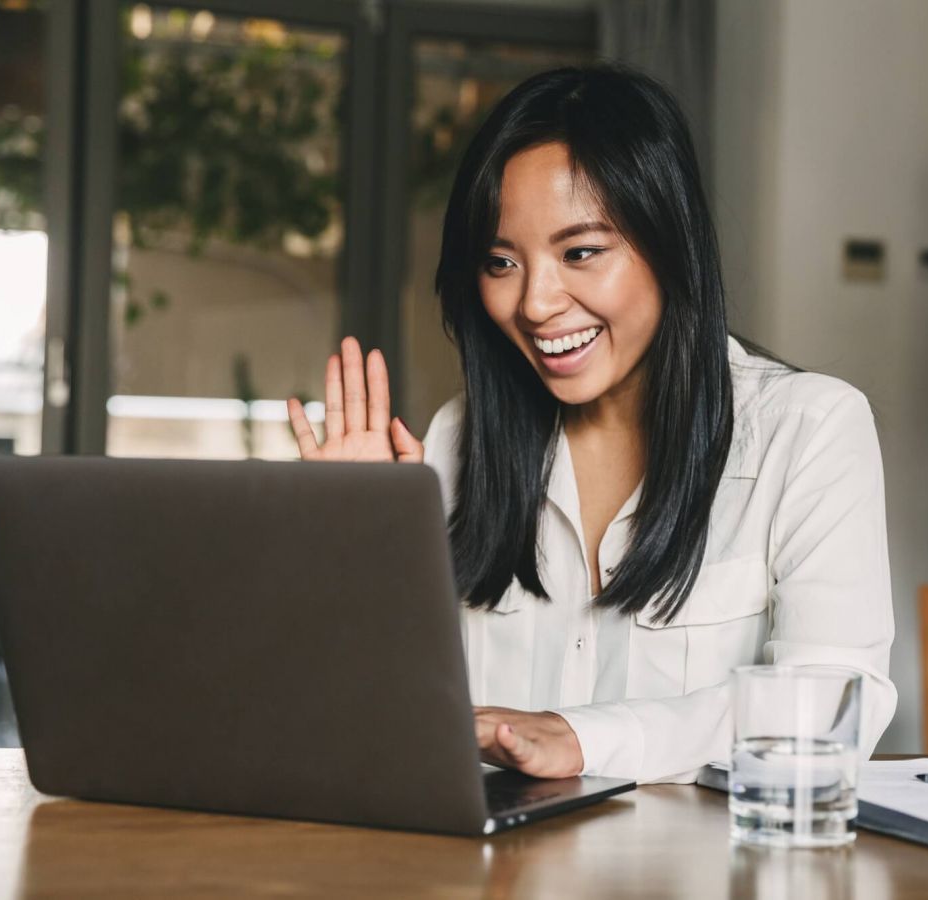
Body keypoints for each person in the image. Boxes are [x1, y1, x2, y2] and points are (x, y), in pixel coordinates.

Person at [286, 64, 896, 784]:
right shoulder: (457, 440)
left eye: (581, 252)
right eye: (500, 261)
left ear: (671, 247)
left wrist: (585, 739)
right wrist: (356, 561)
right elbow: (385, 722)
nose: (537, 302)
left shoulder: (811, 430)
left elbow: (831, 707)